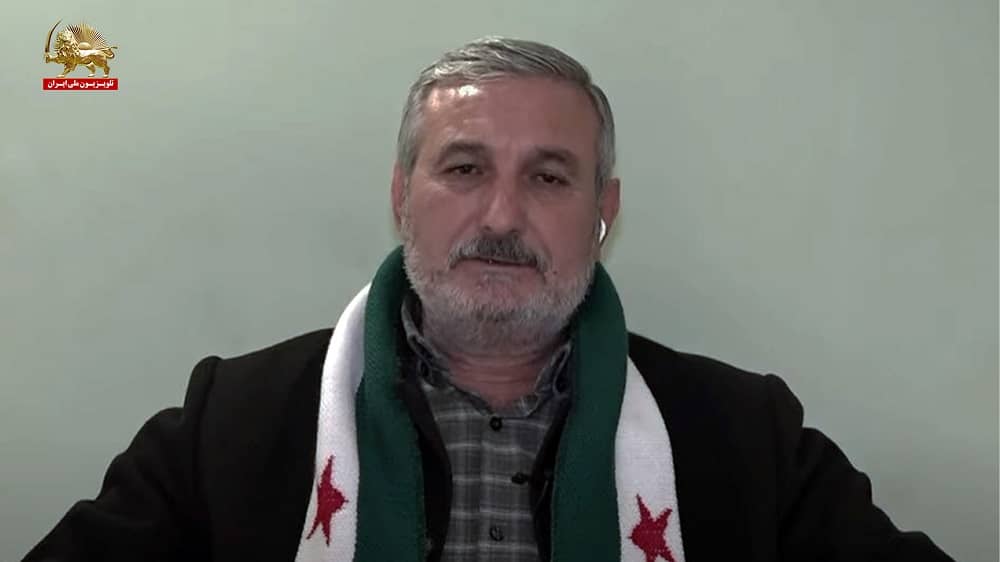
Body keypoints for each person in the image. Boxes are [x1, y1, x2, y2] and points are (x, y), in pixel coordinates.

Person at [24, 37, 954, 562]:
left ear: (603, 212)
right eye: (464, 168)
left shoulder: (748, 436)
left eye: (549, 177)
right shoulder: (232, 420)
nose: (502, 216)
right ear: (402, 196)